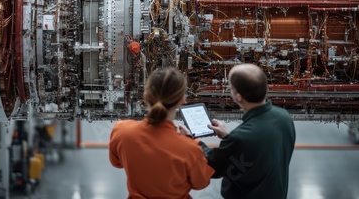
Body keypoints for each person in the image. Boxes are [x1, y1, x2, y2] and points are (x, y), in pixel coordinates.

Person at [182, 63, 296, 199]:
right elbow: (256, 148)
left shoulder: (240, 138)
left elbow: (213, 166)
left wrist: (191, 140)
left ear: (238, 97)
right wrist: (228, 137)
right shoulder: (284, 117)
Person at [109, 67, 215, 198]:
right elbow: (201, 183)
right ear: (182, 100)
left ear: (146, 96)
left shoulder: (121, 131)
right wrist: (189, 140)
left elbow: (117, 163)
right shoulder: (190, 149)